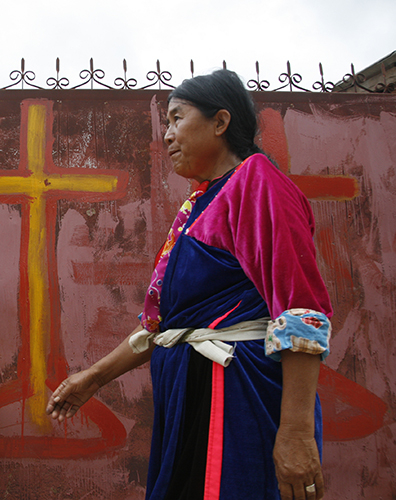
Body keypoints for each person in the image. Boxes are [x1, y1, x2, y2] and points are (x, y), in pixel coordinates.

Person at [46, 69, 332, 500]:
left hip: (236, 396)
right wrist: (94, 378)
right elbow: (164, 325)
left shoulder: (257, 183)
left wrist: (295, 433)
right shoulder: (202, 201)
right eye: (167, 123)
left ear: (220, 122)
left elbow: (300, 309)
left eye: (177, 118)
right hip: (188, 397)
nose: (167, 134)